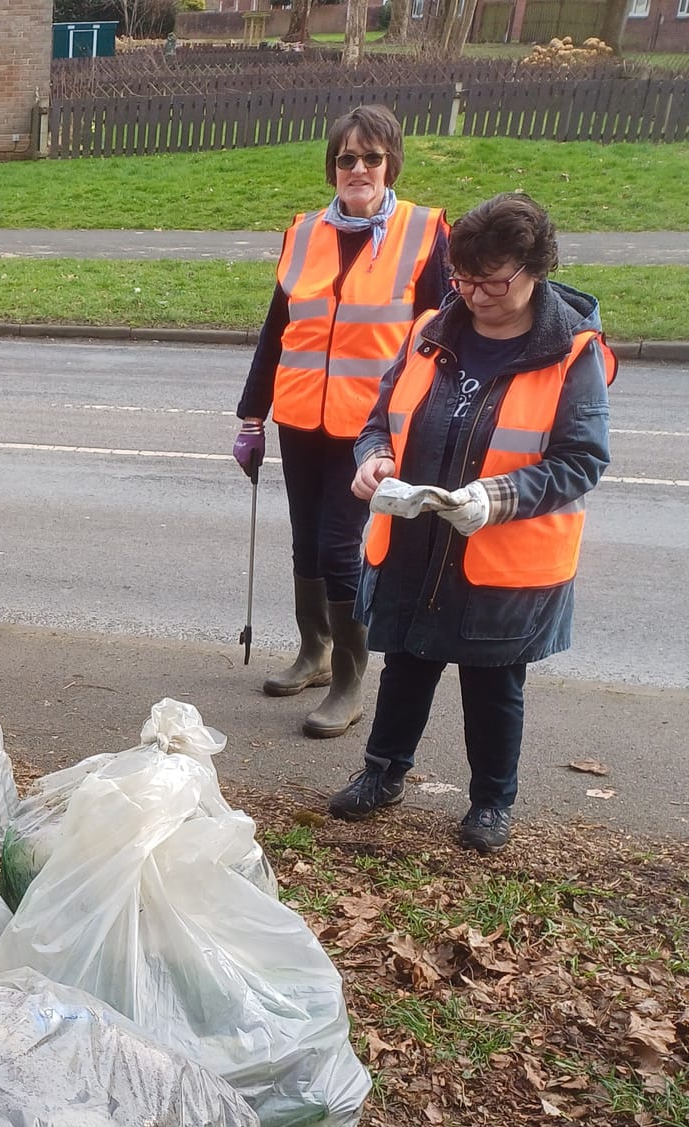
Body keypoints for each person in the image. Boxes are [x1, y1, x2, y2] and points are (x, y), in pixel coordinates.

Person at [328, 193, 615, 853]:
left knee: (492, 684)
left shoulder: (572, 353)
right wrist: (373, 460)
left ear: (535, 268)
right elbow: (381, 420)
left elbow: (582, 460)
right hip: (417, 540)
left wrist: (499, 498)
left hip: (502, 557)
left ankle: (491, 802)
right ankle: (382, 774)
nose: (475, 294)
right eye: (463, 278)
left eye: (493, 281)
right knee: (406, 662)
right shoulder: (431, 329)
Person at [235, 106, 448, 736]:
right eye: (346, 158)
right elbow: (278, 332)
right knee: (307, 541)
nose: (357, 169)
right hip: (302, 417)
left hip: (371, 432)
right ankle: (315, 652)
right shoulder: (303, 233)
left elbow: (438, 338)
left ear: (391, 164)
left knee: (338, 546)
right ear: (332, 166)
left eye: (371, 158)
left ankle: (353, 679)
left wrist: (426, 423)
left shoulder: (423, 232)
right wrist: (252, 413)